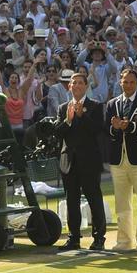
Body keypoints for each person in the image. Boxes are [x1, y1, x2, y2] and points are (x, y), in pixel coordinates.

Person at [56, 72, 108, 251]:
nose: (76, 86)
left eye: (80, 83)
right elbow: (58, 132)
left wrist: (82, 116)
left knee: (94, 198)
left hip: (89, 161)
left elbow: (97, 130)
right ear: (69, 87)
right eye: (73, 83)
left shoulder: (95, 106)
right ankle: (74, 238)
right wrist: (68, 121)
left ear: (86, 86)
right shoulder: (63, 108)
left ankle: (99, 238)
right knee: (72, 200)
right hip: (68, 161)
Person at [105, 67, 137, 252]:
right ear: (120, 82)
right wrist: (115, 127)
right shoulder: (112, 104)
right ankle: (124, 242)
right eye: (125, 82)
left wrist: (129, 126)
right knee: (121, 203)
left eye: (132, 82)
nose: (129, 85)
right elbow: (105, 129)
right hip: (118, 159)